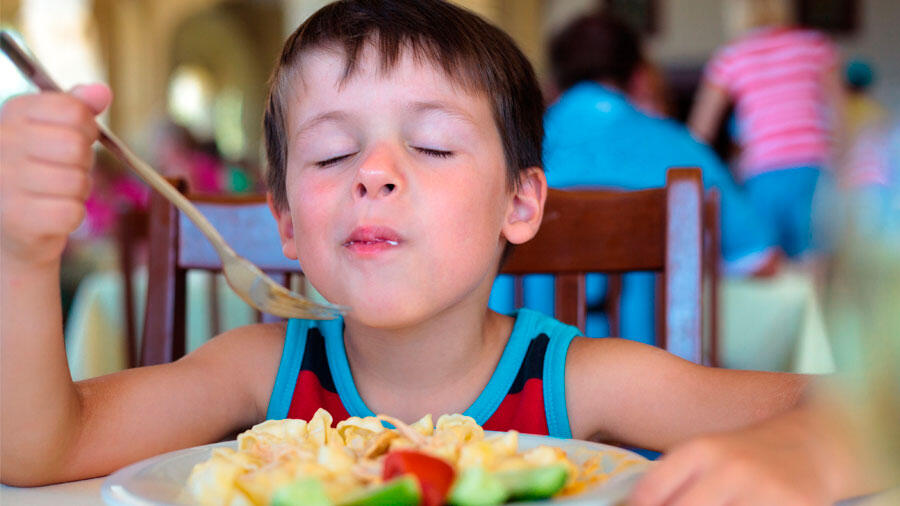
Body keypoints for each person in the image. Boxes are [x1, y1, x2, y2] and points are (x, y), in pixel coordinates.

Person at [0, 0, 883, 503]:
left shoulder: (583, 384)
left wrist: (806, 455)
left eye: (429, 144)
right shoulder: (256, 369)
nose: (375, 175)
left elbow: (871, 410)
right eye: (332, 153)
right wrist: (20, 257)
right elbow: (38, 450)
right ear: (286, 222)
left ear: (521, 201)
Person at [492, 11, 779, 341]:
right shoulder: (682, 149)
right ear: (640, 78)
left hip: (523, 381)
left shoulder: (506, 151)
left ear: (552, 84)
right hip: (655, 379)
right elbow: (761, 261)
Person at [688, 0, 843, 261]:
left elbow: (699, 134)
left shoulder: (732, 57)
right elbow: (839, 116)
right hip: (814, 170)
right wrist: (844, 170)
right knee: (819, 265)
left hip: (763, 172)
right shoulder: (815, 45)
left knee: (769, 265)